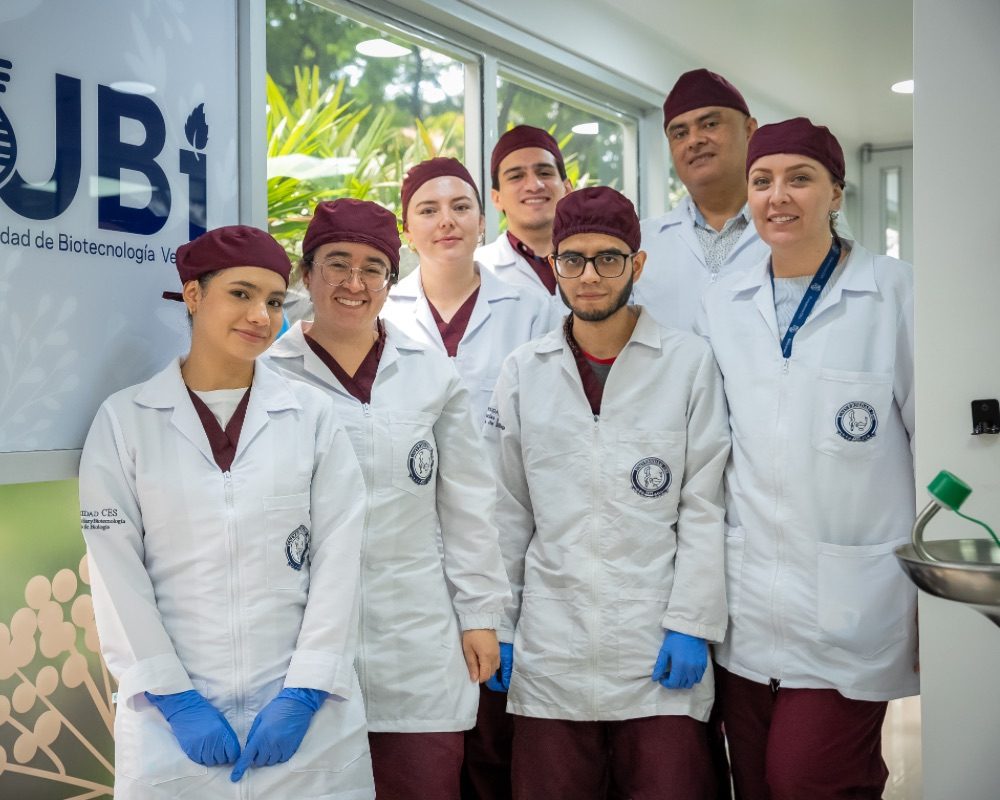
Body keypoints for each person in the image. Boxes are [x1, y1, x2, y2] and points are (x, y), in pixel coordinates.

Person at [79, 226, 374, 799]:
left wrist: (308, 689)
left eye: (272, 299)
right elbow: (116, 572)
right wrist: (170, 695)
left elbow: (342, 555)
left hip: (303, 717)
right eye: (240, 293)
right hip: (173, 722)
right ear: (193, 295)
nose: (261, 316)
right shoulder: (126, 421)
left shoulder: (311, 415)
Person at [484, 186, 731, 799]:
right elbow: (506, 512)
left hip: (656, 647)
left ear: (637, 266)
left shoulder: (687, 363)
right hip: (552, 645)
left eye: (609, 258)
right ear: (554, 266)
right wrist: (501, 623)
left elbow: (705, 504)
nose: (589, 275)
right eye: (573, 259)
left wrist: (692, 625)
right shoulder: (523, 371)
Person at [696, 118, 917, 800]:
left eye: (799, 178)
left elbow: (934, 438)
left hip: (851, 602)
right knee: (756, 785)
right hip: (749, 606)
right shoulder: (724, 302)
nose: (777, 196)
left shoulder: (895, 293)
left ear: (835, 193)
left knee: (810, 781)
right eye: (762, 181)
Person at [264, 198, 512, 800]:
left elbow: (468, 506)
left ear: (390, 277)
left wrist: (480, 613)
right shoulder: (270, 375)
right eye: (336, 264)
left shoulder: (431, 374)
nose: (354, 283)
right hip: (303, 643)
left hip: (417, 638)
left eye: (372, 267)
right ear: (307, 273)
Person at [382, 156, 555, 426]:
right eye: (428, 211)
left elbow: (548, 417)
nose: (446, 221)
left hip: (505, 469)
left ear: (482, 222)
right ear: (407, 232)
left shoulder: (532, 311)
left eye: (461, 207)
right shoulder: (385, 315)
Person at [633, 68, 768, 332]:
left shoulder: (792, 230)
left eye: (710, 124)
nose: (694, 140)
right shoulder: (640, 241)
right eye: (680, 133)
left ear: (750, 130)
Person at [476, 125, 573, 315]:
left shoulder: (606, 261)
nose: (534, 185)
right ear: (497, 198)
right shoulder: (477, 270)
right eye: (516, 176)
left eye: (544, 173)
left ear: (568, 189)